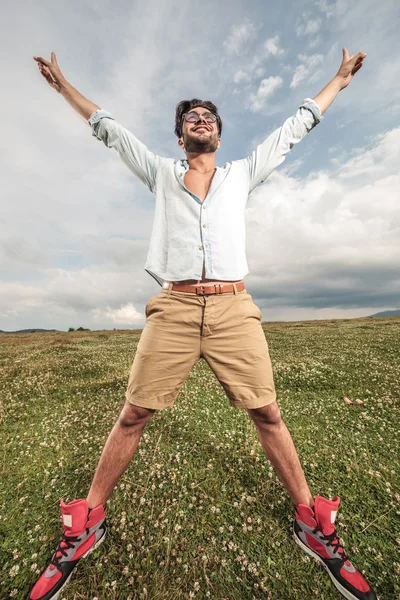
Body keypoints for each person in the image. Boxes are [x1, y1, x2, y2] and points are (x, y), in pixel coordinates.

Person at [28, 49, 375, 600]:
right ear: (180, 134)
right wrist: (63, 87)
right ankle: (86, 523)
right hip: (175, 306)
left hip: (235, 306)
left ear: (218, 131)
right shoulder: (162, 173)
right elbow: (109, 130)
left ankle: (313, 520)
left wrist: (337, 80)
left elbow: (293, 129)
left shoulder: (241, 174)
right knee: (133, 413)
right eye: (191, 117)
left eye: (209, 116)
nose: (201, 120)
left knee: (268, 411)